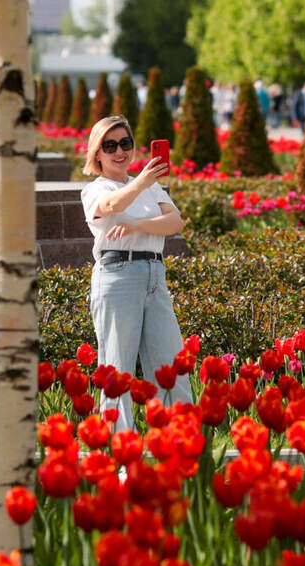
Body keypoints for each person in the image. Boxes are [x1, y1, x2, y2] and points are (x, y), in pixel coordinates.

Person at [79, 116, 193, 431]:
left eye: (125, 143)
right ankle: (119, 448)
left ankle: (177, 443)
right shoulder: (96, 189)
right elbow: (111, 205)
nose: (119, 151)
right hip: (118, 275)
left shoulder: (150, 186)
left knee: (170, 365)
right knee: (117, 370)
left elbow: (175, 223)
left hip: (154, 273)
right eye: (109, 145)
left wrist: (136, 225)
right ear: (97, 153)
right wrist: (140, 183)